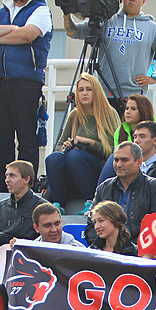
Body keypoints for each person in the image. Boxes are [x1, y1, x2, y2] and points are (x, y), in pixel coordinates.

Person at [0, 0, 53, 192]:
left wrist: (0, 35)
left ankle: (27, 187)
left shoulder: (41, 9)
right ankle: (1, 186)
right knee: (1, 139)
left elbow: (27, 35)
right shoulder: (3, 8)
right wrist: (13, 28)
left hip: (26, 82)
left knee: (26, 138)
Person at [64, 0, 156, 113]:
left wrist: (155, 77)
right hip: (103, 94)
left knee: (128, 134)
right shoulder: (106, 20)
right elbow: (73, 31)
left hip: (133, 96)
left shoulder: (152, 27)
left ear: (143, 1)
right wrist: (66, 13)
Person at [44, 72, 121, 209]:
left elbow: (113, 150)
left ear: (96, 91)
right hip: (72, 169)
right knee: (53, 158)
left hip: (97, 170)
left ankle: (90, 201)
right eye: (81, 90)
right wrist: (65, 147)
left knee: (75, 156)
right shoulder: (74, 114)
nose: (84, 93)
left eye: (89, 89)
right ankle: (57, 205)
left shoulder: (109, 113)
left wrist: (88, 142)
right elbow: (58, 146)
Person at [88, 141, 156, 246]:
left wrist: (131, 249)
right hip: (107, 253)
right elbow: (91, 224)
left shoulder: (155, 187)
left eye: (124, 160)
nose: (119, 164)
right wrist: (105, 246)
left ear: (139, 162)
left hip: (141, 254)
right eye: (116, 160)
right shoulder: (104, 188)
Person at [98, 96, 156, 182]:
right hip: (128, 168)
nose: (128, 112)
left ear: (143, 111)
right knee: (114, 158)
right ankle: (102, 192)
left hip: (147, 168)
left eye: (133, 109)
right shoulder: (119, 131)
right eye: (127, 108)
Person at [0, 161, 47, 240]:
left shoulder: (43, 208)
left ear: (26, 179)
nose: (7, 180)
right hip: (2, 250)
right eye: (6, 176)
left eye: (12, 176)